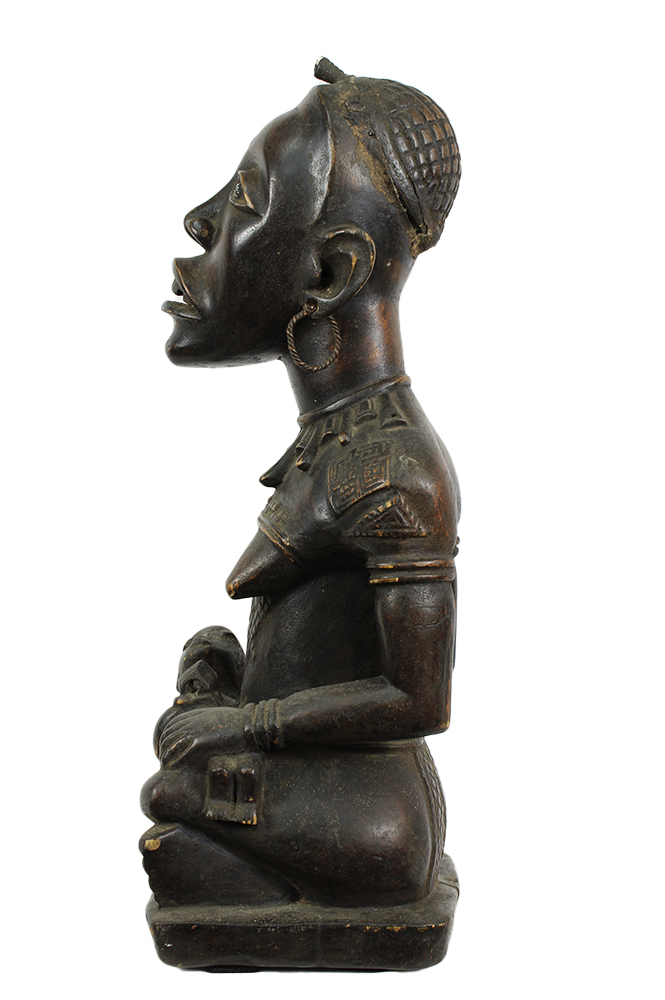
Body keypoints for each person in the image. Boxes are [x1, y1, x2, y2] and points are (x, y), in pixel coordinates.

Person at [141, 59, 462, 911]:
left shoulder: (399, 473)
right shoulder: (338, 439)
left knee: (168, 805)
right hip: (319, 774)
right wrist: (232, 681)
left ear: (329, 273)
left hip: (375, 815)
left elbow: (418, 699)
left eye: (245, 201)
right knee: (195, 703)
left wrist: (248, 723)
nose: (201, 221)